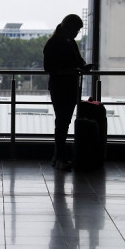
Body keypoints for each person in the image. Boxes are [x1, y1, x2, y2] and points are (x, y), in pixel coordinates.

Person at [43, 14, 92, 170]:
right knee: (63, 122)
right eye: (76, 30)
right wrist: (75, 69)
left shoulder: (56, 43)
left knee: (63, 122)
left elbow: (54, 67)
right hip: (63, 86)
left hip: (63, 86)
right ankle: (59, 157)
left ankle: (58, 157)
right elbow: (50, 69)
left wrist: (79, 67)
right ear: (68, 28)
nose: (76, 33)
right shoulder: (64, 43)